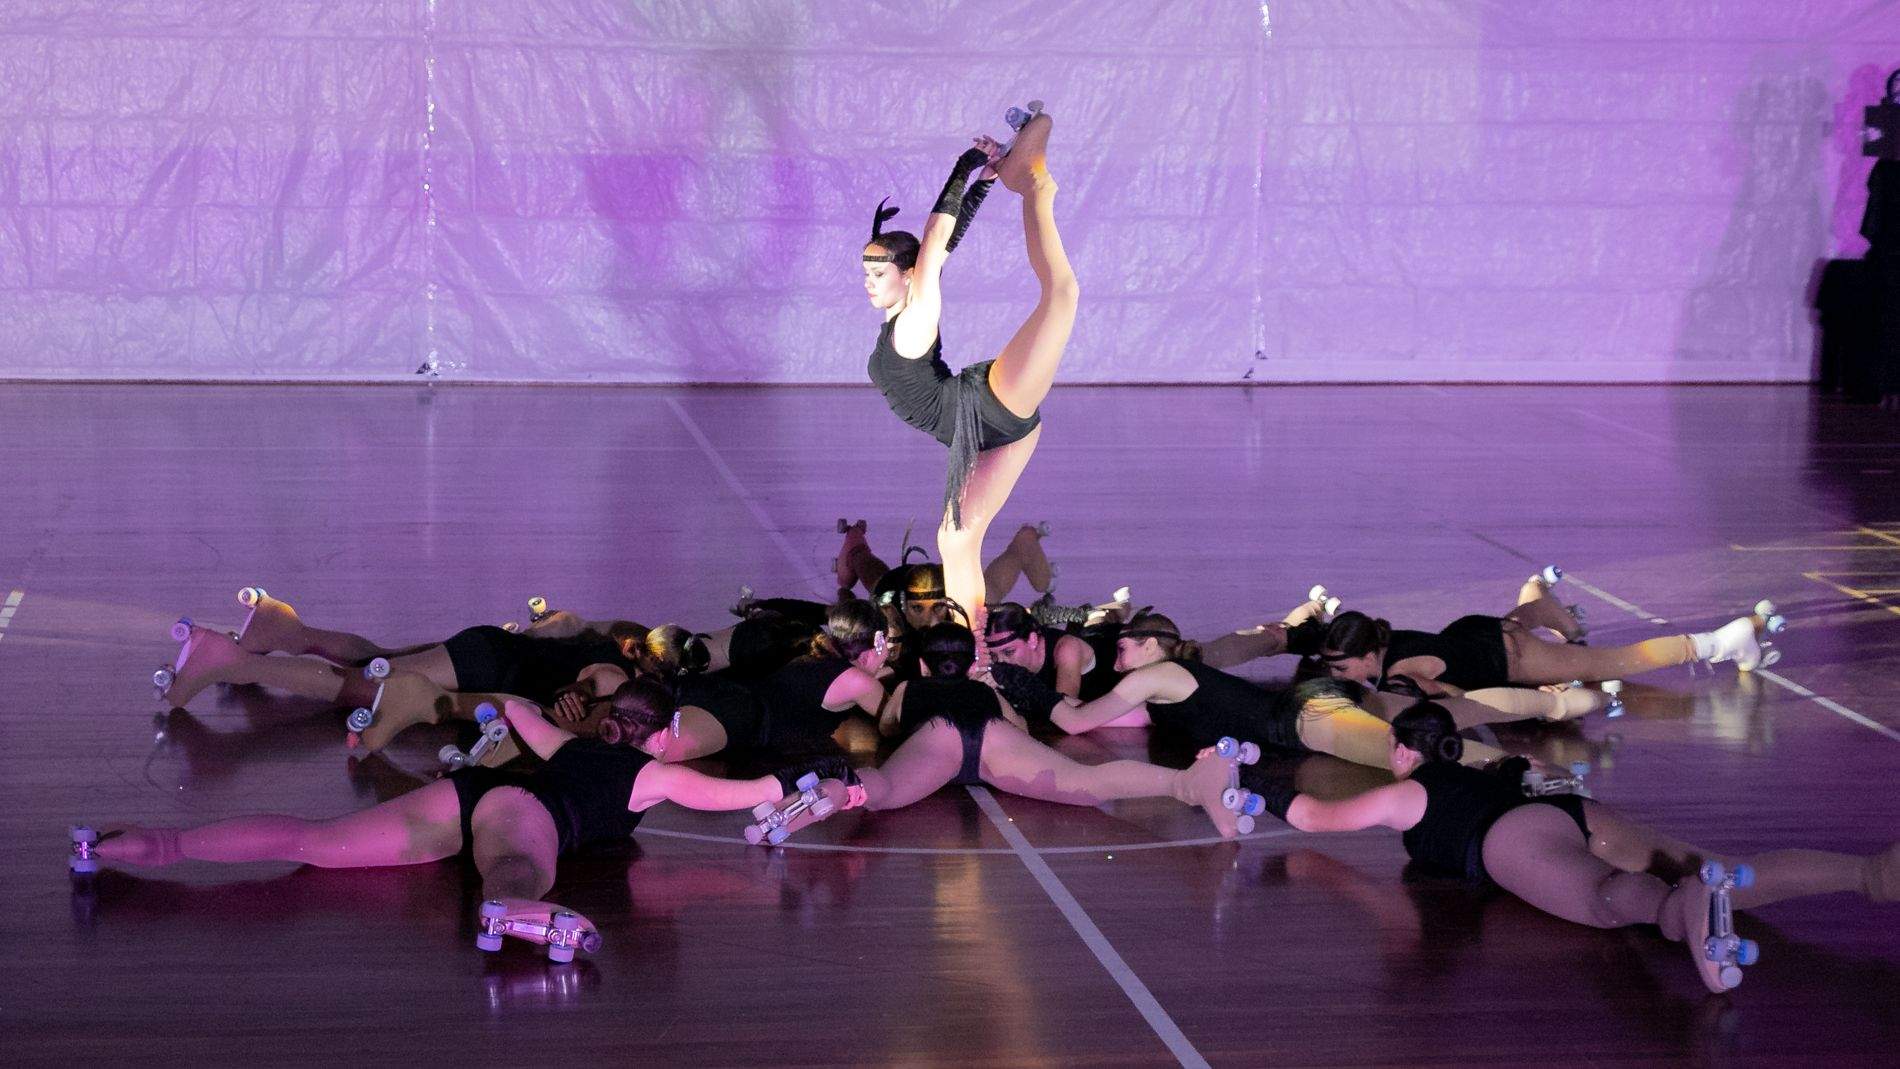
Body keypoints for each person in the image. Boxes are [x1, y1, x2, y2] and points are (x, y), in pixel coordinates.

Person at [1246, 701, 1900, 993]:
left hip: (1512, 838)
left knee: (1606, 899)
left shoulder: (1407, 791)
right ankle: (1871, 873)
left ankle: (1684, 910)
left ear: (1404, 750)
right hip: (1564, 808)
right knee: (1711, 863)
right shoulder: (1481, 764)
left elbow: (1313, 816)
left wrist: (1246, 782)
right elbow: (1537, 772)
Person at [863, 104, 1075, 639]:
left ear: (905, 276)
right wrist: (977, 188)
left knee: (1061, 296)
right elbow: (940, 250)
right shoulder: (902, 313)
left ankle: (1035, 189)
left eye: (879, 271)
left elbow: (934, 248)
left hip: (986, 406)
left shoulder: (915, 320)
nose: (869, 280)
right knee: (956, 541)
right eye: (865, 271)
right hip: (984, 438)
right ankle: (973, 648)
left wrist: (962, 169)